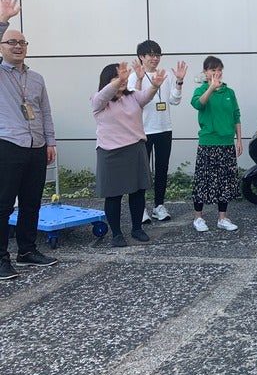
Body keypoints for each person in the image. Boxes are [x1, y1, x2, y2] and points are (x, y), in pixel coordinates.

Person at [0, 0, 58, 278]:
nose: (18, 46)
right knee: (3, 204)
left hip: (37, 145)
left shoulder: (36, 78)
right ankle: (1, 258)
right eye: (12, 42)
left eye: (22, 42)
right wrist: (3, 21)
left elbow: (45, 111)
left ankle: (26, 250)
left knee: (32, 201)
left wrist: (51, 142)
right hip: (8, 145)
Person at [92, 62, 165, 247]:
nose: (123, 80)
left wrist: (155, 86)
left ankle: (137, 229)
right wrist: (119, 81)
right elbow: (103, 95)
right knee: (113, 196)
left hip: (135, 149)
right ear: (107, 81)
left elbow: (146, 96)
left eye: (123, 77)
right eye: (117, 77)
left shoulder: (132, 96)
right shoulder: (100, 101)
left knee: (138, 192)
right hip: (110, 153)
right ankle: (116, 234)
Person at [128, 40, 188, 223]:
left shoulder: (165, 76)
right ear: (141, 56)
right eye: (151, 55)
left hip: (164, 128)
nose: (155, 58)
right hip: (142, 130)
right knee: (141, 171)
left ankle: (159, 205)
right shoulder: (134, 76)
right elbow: (133, 101)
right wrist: (140, 80)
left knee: (162, 168)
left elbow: (174, 101)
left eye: (158, 55)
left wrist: (179, 82)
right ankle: (140, 208)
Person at [190, 56, 241, 232]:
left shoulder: (229, 92)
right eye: (213, 70)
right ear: (205, 72)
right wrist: (211, 87)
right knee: (203, 180)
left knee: (224, 182)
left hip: (227, 143)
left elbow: (236, 115)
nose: (217, 73)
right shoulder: (201, 90)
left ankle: (222, 218)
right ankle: (198, 218)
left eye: (219, 70)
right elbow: (198, 104)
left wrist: (239, 139)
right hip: (208, 143)